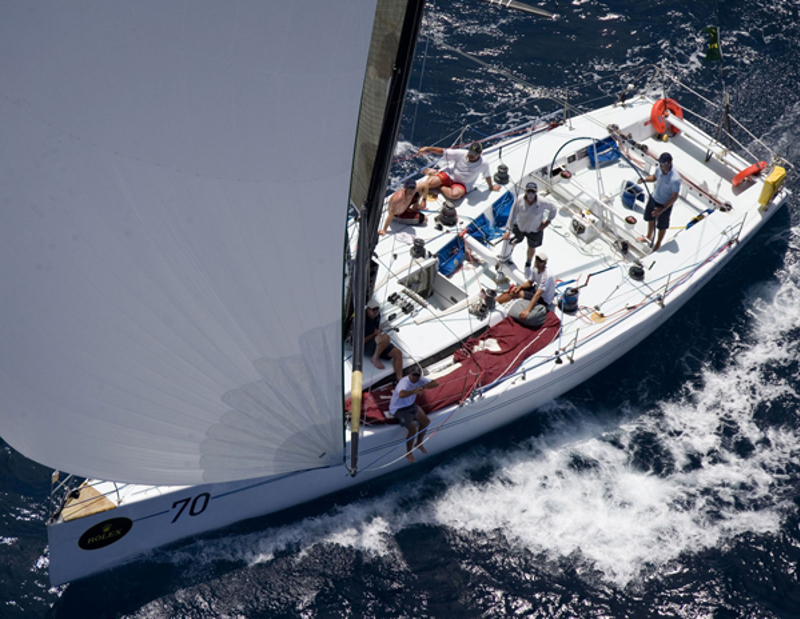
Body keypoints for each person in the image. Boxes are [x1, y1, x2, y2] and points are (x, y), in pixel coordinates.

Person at [502, 181, 557, 279]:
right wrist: (508, 230)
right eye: (529, 191)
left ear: (536, 192)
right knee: (513, 241)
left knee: (531, 247)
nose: (531, 194)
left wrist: (547, 222)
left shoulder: (543, 202)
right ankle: (508, 257)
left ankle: (528, 265)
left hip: (535, 230)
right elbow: (512, 214)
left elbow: (553, 208)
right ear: (526, 191)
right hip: (520, 227)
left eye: (533, 191)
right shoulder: (519, 200)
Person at [416, 141, 501, 200]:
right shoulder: (461, 153)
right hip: (450, 175)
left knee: (454, 195)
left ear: (480, 153)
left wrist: (491, 187)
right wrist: (427, 148)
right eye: (470, 152)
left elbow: (487, 175)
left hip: (463, 184)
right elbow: (443, 151)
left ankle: (439, 185)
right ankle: (436, 176)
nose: (471, 155)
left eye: (474, 154)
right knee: (428, 184)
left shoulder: (484, 163)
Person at [388, 366, 438, 463]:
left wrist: (423, 387)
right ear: (409, 375)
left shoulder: (420, 380)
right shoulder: (404, 382)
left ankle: (419, 443)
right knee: (412, 429)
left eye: (417, 376)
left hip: (410, 405)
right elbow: (401, 394)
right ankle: (409, 453)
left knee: (426, 422)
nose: (415, 377)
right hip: (399, 409)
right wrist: (413, 391)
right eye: (413, 375)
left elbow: (435, 383)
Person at [637, 152, 682, 251]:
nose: (662, 166)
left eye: (664, 164)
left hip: (664, 204)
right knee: (650, 218)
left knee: (662, 225)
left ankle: (658, 242)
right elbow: (654, 177)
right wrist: (645, 180)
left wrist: (662, 209)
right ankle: (648, 236)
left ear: (670, 163)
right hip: (654, 198)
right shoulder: (659, 169)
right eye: (660, 164)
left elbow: (674, 196)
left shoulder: (676, 179)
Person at [496, 250, 555, 319]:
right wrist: (520, 287)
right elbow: (530, 282)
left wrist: (527, 311)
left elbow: (538, 294)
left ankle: (497, 303)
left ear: (545, 263)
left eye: (541, 261)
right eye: (537, 259)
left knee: (517, 294)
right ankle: (497, 302)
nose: (538, 262)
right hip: (536, 289)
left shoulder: (547, 276)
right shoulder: (535, 268)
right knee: (515, 290)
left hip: (544, 299)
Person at [364, 299, 403, 381]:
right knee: (386, 338)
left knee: (398, 353)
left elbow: (376, 329)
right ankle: (375, 358)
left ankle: (400, 379)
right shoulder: (362, 320)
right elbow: (361, 342)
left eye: (377, 309)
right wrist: (374, 334)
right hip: (366, 346)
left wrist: (377, 332)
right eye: (373, 309)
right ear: (368, 309)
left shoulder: (377, 316)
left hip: (375, 341)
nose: (376, 312)